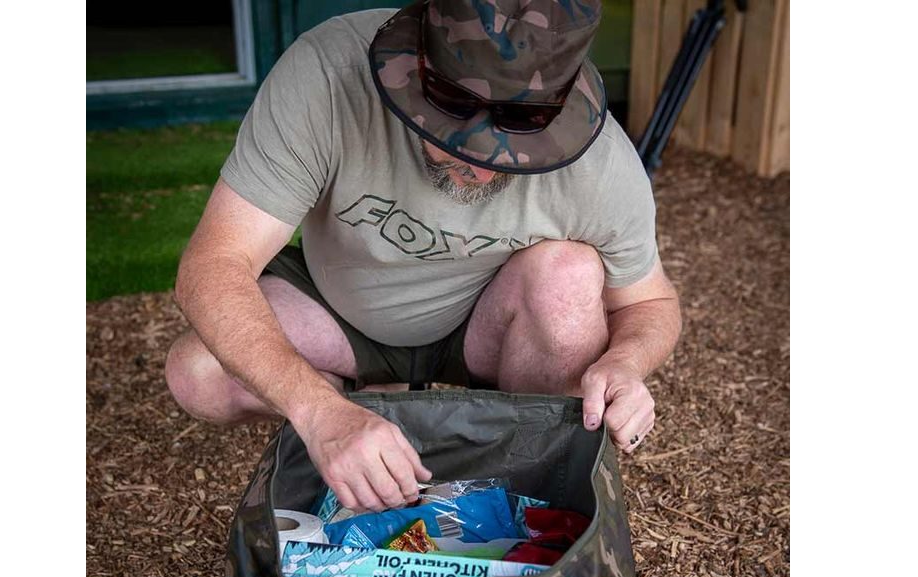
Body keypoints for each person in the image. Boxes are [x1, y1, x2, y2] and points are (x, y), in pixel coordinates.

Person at [165, 0, 681, 514]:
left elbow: (650, 303)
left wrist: (624, 363)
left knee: (569, 273)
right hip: (339, 306)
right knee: (200, 374)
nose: (480, 165)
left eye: (521, 127)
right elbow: (213, 264)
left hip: (482, 326)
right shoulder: (329, 73)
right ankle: (363, 412)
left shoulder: (602, 163)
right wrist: (319, 411)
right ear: (417, 67)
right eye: (456, 118)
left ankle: (517, 471)